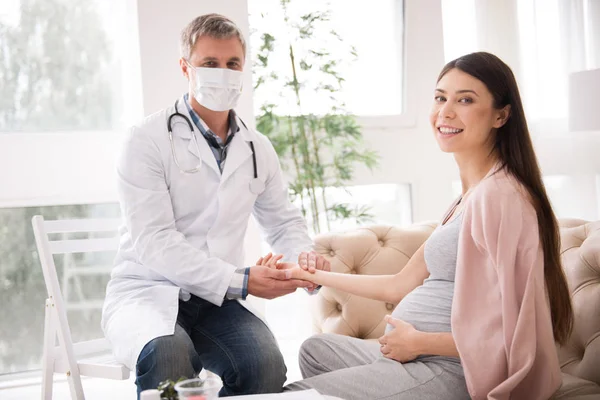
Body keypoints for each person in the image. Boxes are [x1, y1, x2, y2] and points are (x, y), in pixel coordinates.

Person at [277, 52, 574, 400]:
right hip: (416, 357)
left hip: (455, 368)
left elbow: (515, 334)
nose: (445, 111)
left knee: (295, 394)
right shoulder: (470, 196)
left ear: (501, 115)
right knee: (315, 350)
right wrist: (311, 276)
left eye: (465, 100)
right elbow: (398, 285)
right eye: (440, 97)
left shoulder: (503, 197)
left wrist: (420, 343)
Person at [101, 14, 330, 398]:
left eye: (232, 64)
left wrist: (304, 261)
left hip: (214, 300)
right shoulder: (145, 140)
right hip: (149, 292)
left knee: (264, 364)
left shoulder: (258, 148)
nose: (222, 73)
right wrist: (241, 281)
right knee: (169, 355)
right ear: (185, 67)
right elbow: (155, 241)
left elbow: (284, 224)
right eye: (210, 64)